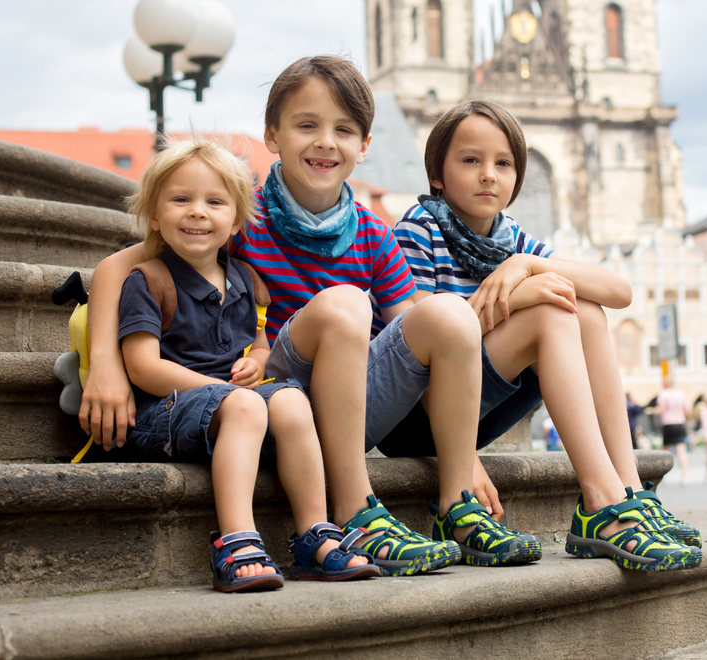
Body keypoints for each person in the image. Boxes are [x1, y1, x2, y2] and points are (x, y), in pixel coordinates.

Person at [80, 56, 507, 576]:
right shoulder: (238, 213)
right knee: (347, 301)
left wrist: (461, 454)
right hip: (273, 397)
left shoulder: (375, 233)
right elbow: (116, 266)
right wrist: (105, 362)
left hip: (344, 406)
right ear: (273, 135)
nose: (325, 141)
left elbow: (423, 343)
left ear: (364, 146)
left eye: (343, 130)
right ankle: (355, 512)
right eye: (307, 125)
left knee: (449, 314)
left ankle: (455, 504)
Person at [383, 99, 702, 571]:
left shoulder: (511, 238)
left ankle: (629, 489)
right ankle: (600, 503)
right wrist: (464, 457)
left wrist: (527, 265)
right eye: (470, 160)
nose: (488, 174)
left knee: (587, 311)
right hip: (420, 412)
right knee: (553, 312)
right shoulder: (419, 229)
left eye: (503, 163)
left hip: (475, 405)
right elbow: (422, 350)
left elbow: (620, 291)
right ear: (437, 174)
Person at [117, 136, 379, 590]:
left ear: (237, 219)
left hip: (232, 406)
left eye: (214, 202)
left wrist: (257, 364)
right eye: (181, 199)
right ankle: (237, 541)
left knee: (292, 400)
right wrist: (222, 391)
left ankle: (314, 534)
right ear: (155, 215)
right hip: (162, 412)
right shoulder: (149, 281)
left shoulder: (245, 281)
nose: (198, 211)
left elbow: (258, 343)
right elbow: (142, 367)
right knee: (247, 406)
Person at [655, 376, 691, 486]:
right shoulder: (680, 394)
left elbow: (661, 410)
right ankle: (684, 476)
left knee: (665, 451)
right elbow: (687, 411)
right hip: (679, 423)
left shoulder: (663, 394)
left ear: (665, 384)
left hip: (668, 423)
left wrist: (653, 411)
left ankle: (662, 475)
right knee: (682, 450)